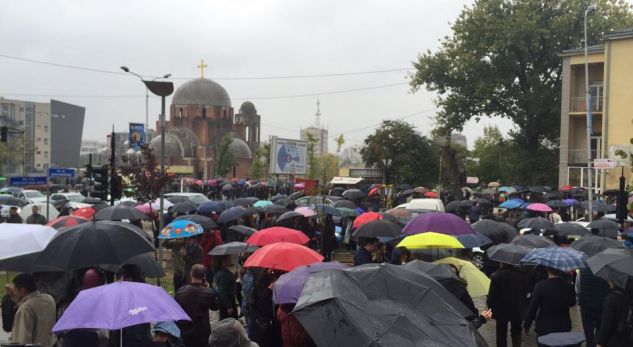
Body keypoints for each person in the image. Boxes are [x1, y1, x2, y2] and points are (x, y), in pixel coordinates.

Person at [523, 268, 576, 338]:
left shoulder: (540, 286)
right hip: (564, 326)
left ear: (547, 270)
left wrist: (526, 325)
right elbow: (573, 303)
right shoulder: (569, 286)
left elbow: (533, 308)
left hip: (544, 327)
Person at [7, 273, 57, 346]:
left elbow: (22, 340)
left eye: (15, 289)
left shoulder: (26, 308)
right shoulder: (49, 299)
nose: (14, 292)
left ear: (22, 290)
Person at [175, 264, 218, 347]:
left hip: (185, 332)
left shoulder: (180, 291)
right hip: (202, 333)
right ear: (204, 276)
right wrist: (208, 289)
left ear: (191, 274)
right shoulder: (208, 293)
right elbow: (215, 307)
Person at [487, 263, 526, 347]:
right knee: (517, 330)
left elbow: (492, 296)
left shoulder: (496, 275)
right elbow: (526, 292)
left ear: (502, 263)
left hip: (501, 309)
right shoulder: (521, 275)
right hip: (517, 308)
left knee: (501, 332)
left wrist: (490, 306)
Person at [577, 266, 610, 347]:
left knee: (589, 335)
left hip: (586, 307)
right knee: (601, 333)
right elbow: (608, 289)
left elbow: (578, 289)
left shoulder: (581, 272)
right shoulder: (605, 271)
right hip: (601, 307)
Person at [247, 270, 281, 347]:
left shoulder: (280, 286)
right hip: (263, 328)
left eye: (275, 274)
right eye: (271, 273)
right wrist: (269, 291)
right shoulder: (257, 287)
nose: (273, 276)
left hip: (275, 328)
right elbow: (257, 307)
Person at [595, 281, 633, 347]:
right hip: (629, 338)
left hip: (614, 340)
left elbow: (606, 324)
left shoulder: (611, 299)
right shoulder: (629, 296)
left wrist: (600, 342)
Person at [213, 256, 237, 320]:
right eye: (229, 259)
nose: (231, 260)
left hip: (226, 300)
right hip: (228, 300)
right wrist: (228, 306)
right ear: (223, 262)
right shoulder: (223, 275)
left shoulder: (224, 272)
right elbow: (223, 291)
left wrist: (234, 277)